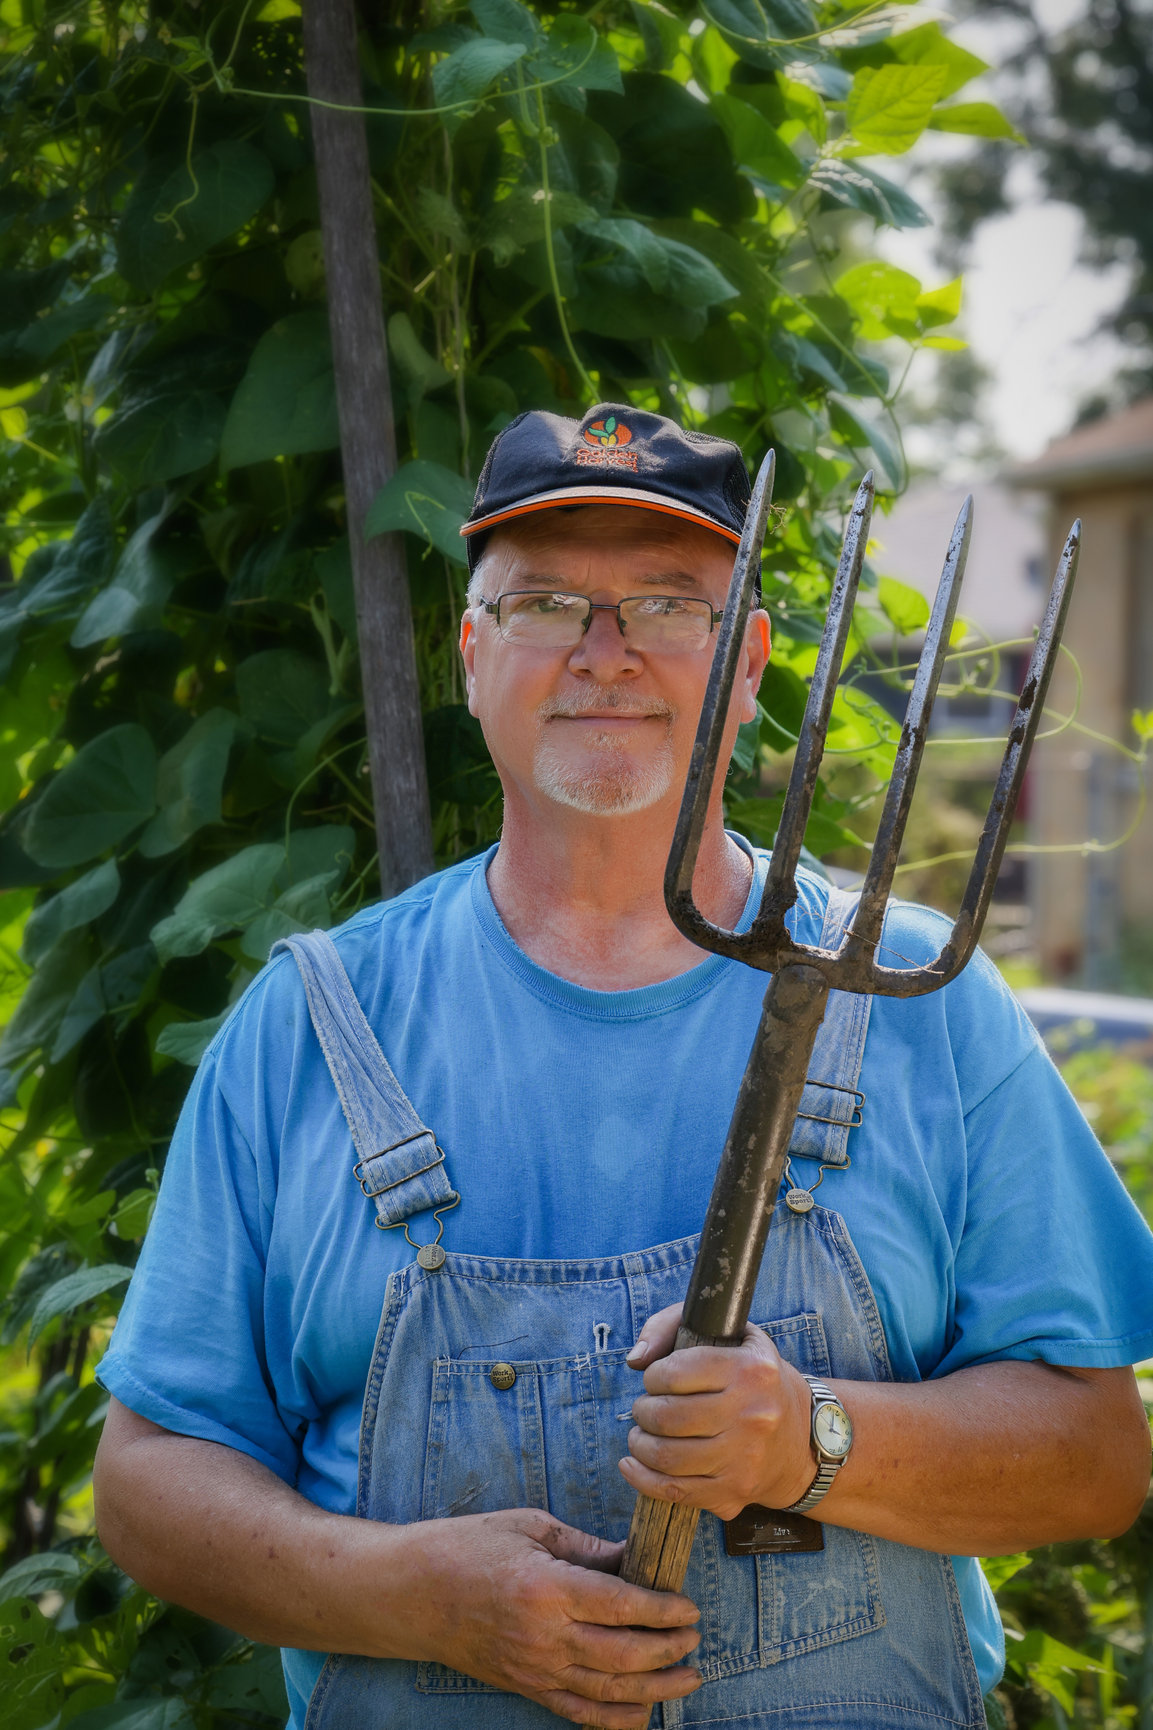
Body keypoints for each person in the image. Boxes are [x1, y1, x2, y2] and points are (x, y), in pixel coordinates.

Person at [93, 404, 1153, 1730]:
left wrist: (810, 1434)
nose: (604, 654)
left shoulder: (920, 1003)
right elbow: (144, 1479)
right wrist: (411, 1594)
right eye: (543, 603)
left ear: (751, 659)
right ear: (472, 653)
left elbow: (1096, 1456)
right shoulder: (310, 1027)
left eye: (665, 603)